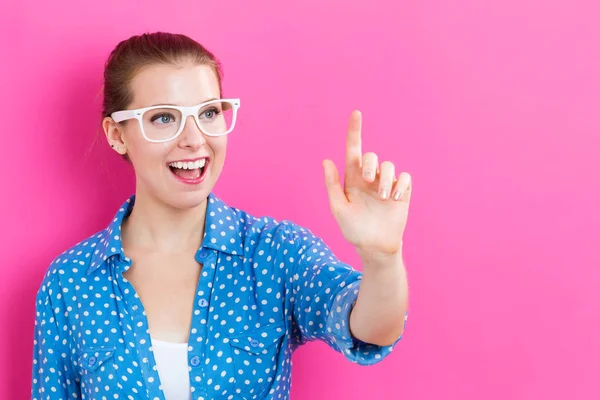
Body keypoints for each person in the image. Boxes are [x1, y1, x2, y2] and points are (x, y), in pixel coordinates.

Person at [31, 32, 412, 400]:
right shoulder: (71, 282)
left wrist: (382, 258)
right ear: (117, 134)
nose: (195, 139)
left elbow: (371, 328)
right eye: (164, 118)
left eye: (209, 112)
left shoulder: (275, 253)